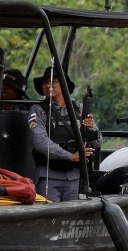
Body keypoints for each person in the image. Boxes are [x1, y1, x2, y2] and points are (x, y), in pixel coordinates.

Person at [28, 66, 102, 202]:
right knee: (49, 213)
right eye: (45, 82)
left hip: (75, 177)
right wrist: (70, 156)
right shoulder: (38, 110)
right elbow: (40, 142)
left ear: (64, 84)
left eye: (53, 81)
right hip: (49, 176)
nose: (48, 85)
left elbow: (97, 142)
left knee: (73, 214)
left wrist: (90, 128)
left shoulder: (79, 108)